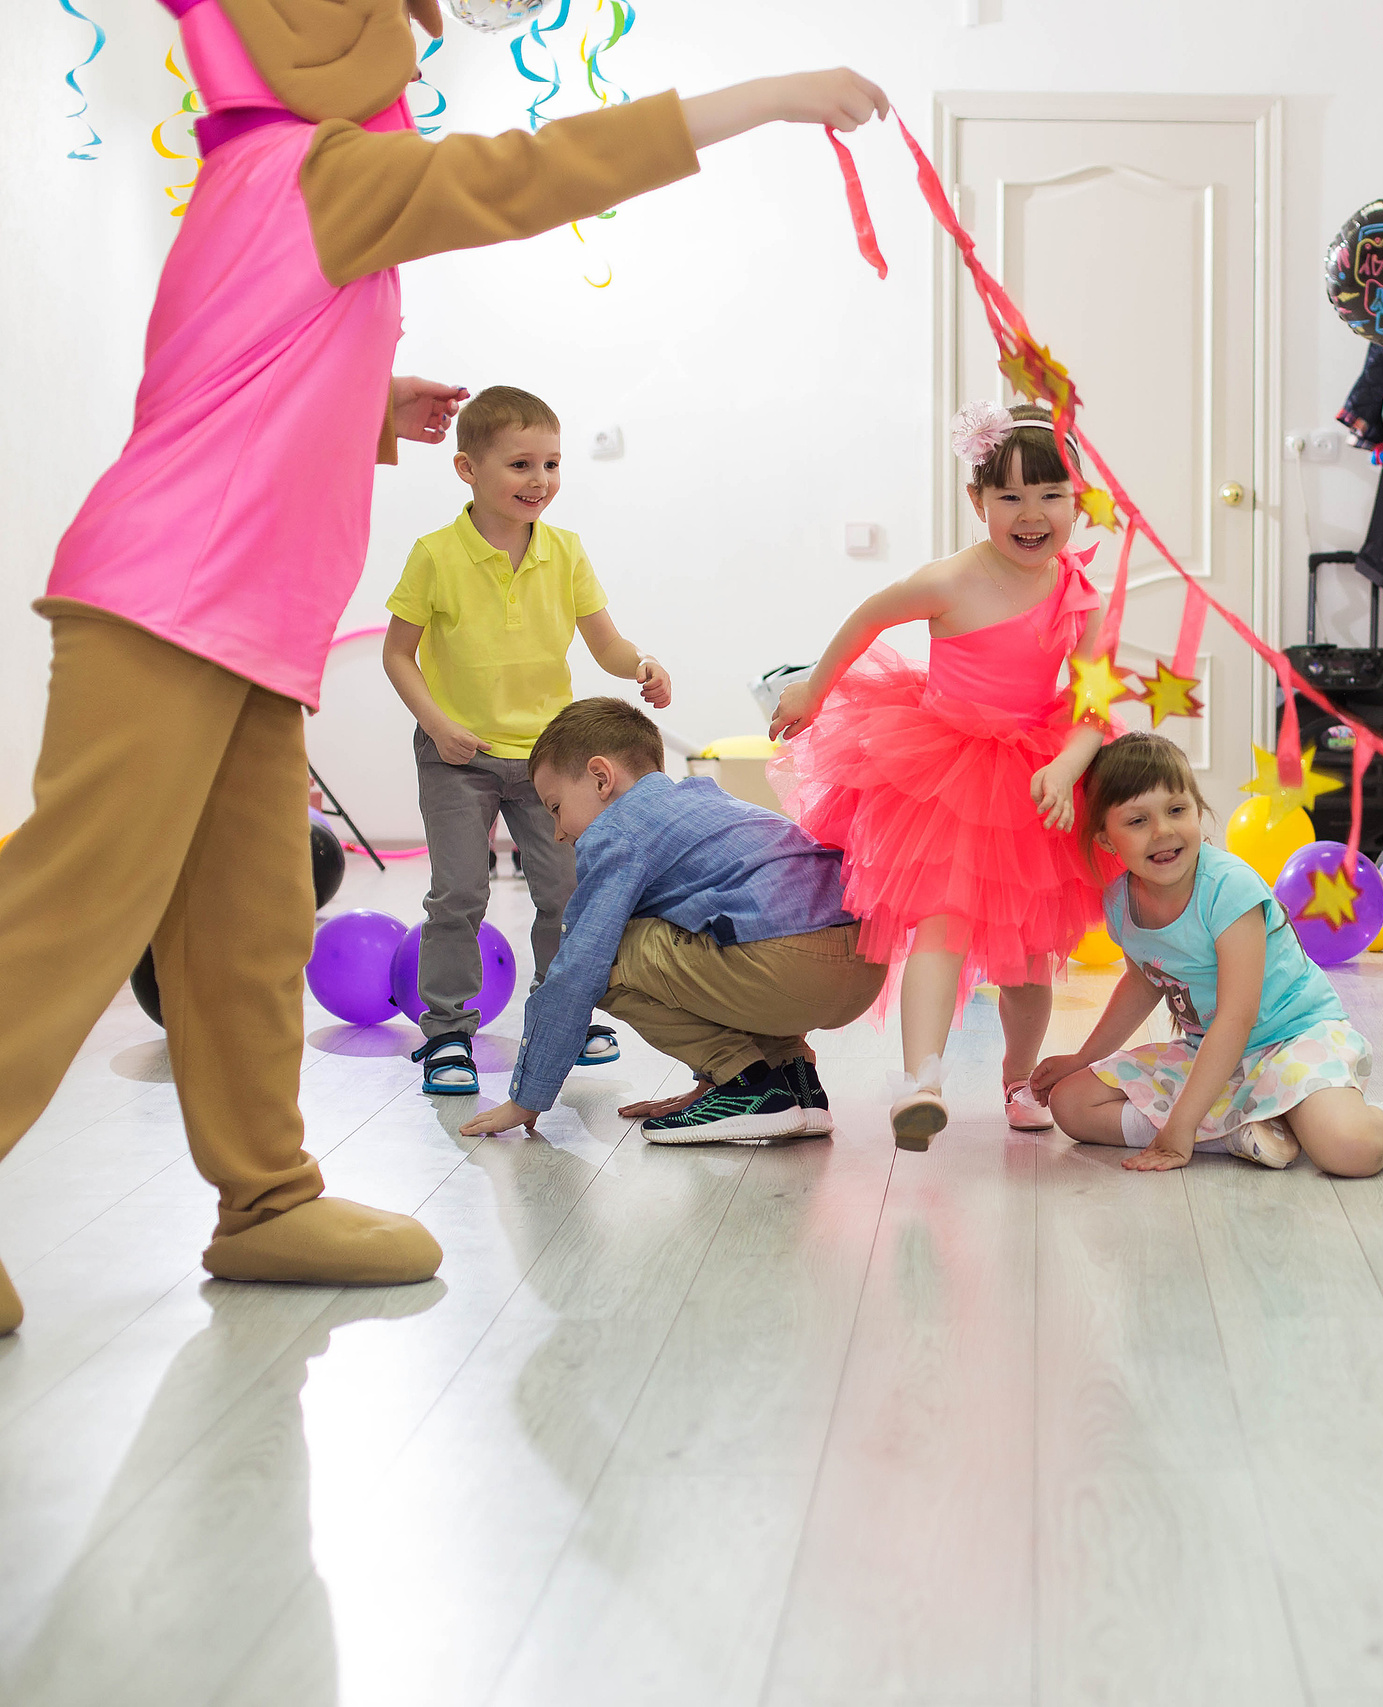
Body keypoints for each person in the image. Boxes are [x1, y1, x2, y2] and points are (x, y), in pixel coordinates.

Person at [0, 0, 889, 1333]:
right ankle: (262, 1195)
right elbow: (524, 178)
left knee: (249, 931)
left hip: (242, 629)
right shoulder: (318, 166)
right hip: (165, 603)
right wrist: (767, 96)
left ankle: (267, 1198)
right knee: (72, 909)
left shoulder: (269, 182)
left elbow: (219, 373)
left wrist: (371, 399)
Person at [769, 402, 1111, 1151]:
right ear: (977, 501)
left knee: (1028, 953)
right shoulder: (954, 579)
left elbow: (1095, 705)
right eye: (1011, 497)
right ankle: (919, 1080)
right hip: (946, 769)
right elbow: (869, 616)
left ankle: (1020, 1078)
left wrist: (1068, 764)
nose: (1032, 514)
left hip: (1035, 775)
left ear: (1078, 500)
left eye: (1052, 495)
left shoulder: (1080, 596)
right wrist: (814, 689)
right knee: (940, 923)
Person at [383, 385, 672, 1099]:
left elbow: (603, 642)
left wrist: (637, 662)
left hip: (552, 761)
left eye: (550, 463)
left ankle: (563, 1013)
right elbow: (398, 654)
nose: (539, 480)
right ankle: (447, 1033)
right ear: (467, 470)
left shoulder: (566, 553)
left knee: (565, 890)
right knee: (459, 892)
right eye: (519, 464)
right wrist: (438, 724)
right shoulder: (434, 555)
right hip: (458, 757)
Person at [1027, 733, 1383, 1172]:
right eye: (1137, 820)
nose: (1163, 831)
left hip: (1293, 1038)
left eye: (1176, 810)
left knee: (1349, 1149)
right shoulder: (1120, 904)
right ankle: (1239, 1133)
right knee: (1071, 1104)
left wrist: (1181, 1127)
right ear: (1106, 838)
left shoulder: (1228, 888)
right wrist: (1080, 1061)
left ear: (1197, 810)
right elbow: (1141, 983)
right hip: (1212, 1054)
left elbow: (1237, 1016)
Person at [458, 699, 885, 1147]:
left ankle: (747, 1085)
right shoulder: (707, 801)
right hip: (864, 964)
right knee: (718, 928)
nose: (558, 833)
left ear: (602, 778)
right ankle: (795, 1079)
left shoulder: (618, 830)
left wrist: (529, 1097)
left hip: (787, 965)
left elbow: (576, 971)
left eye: (555, 807)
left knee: (603, 953)